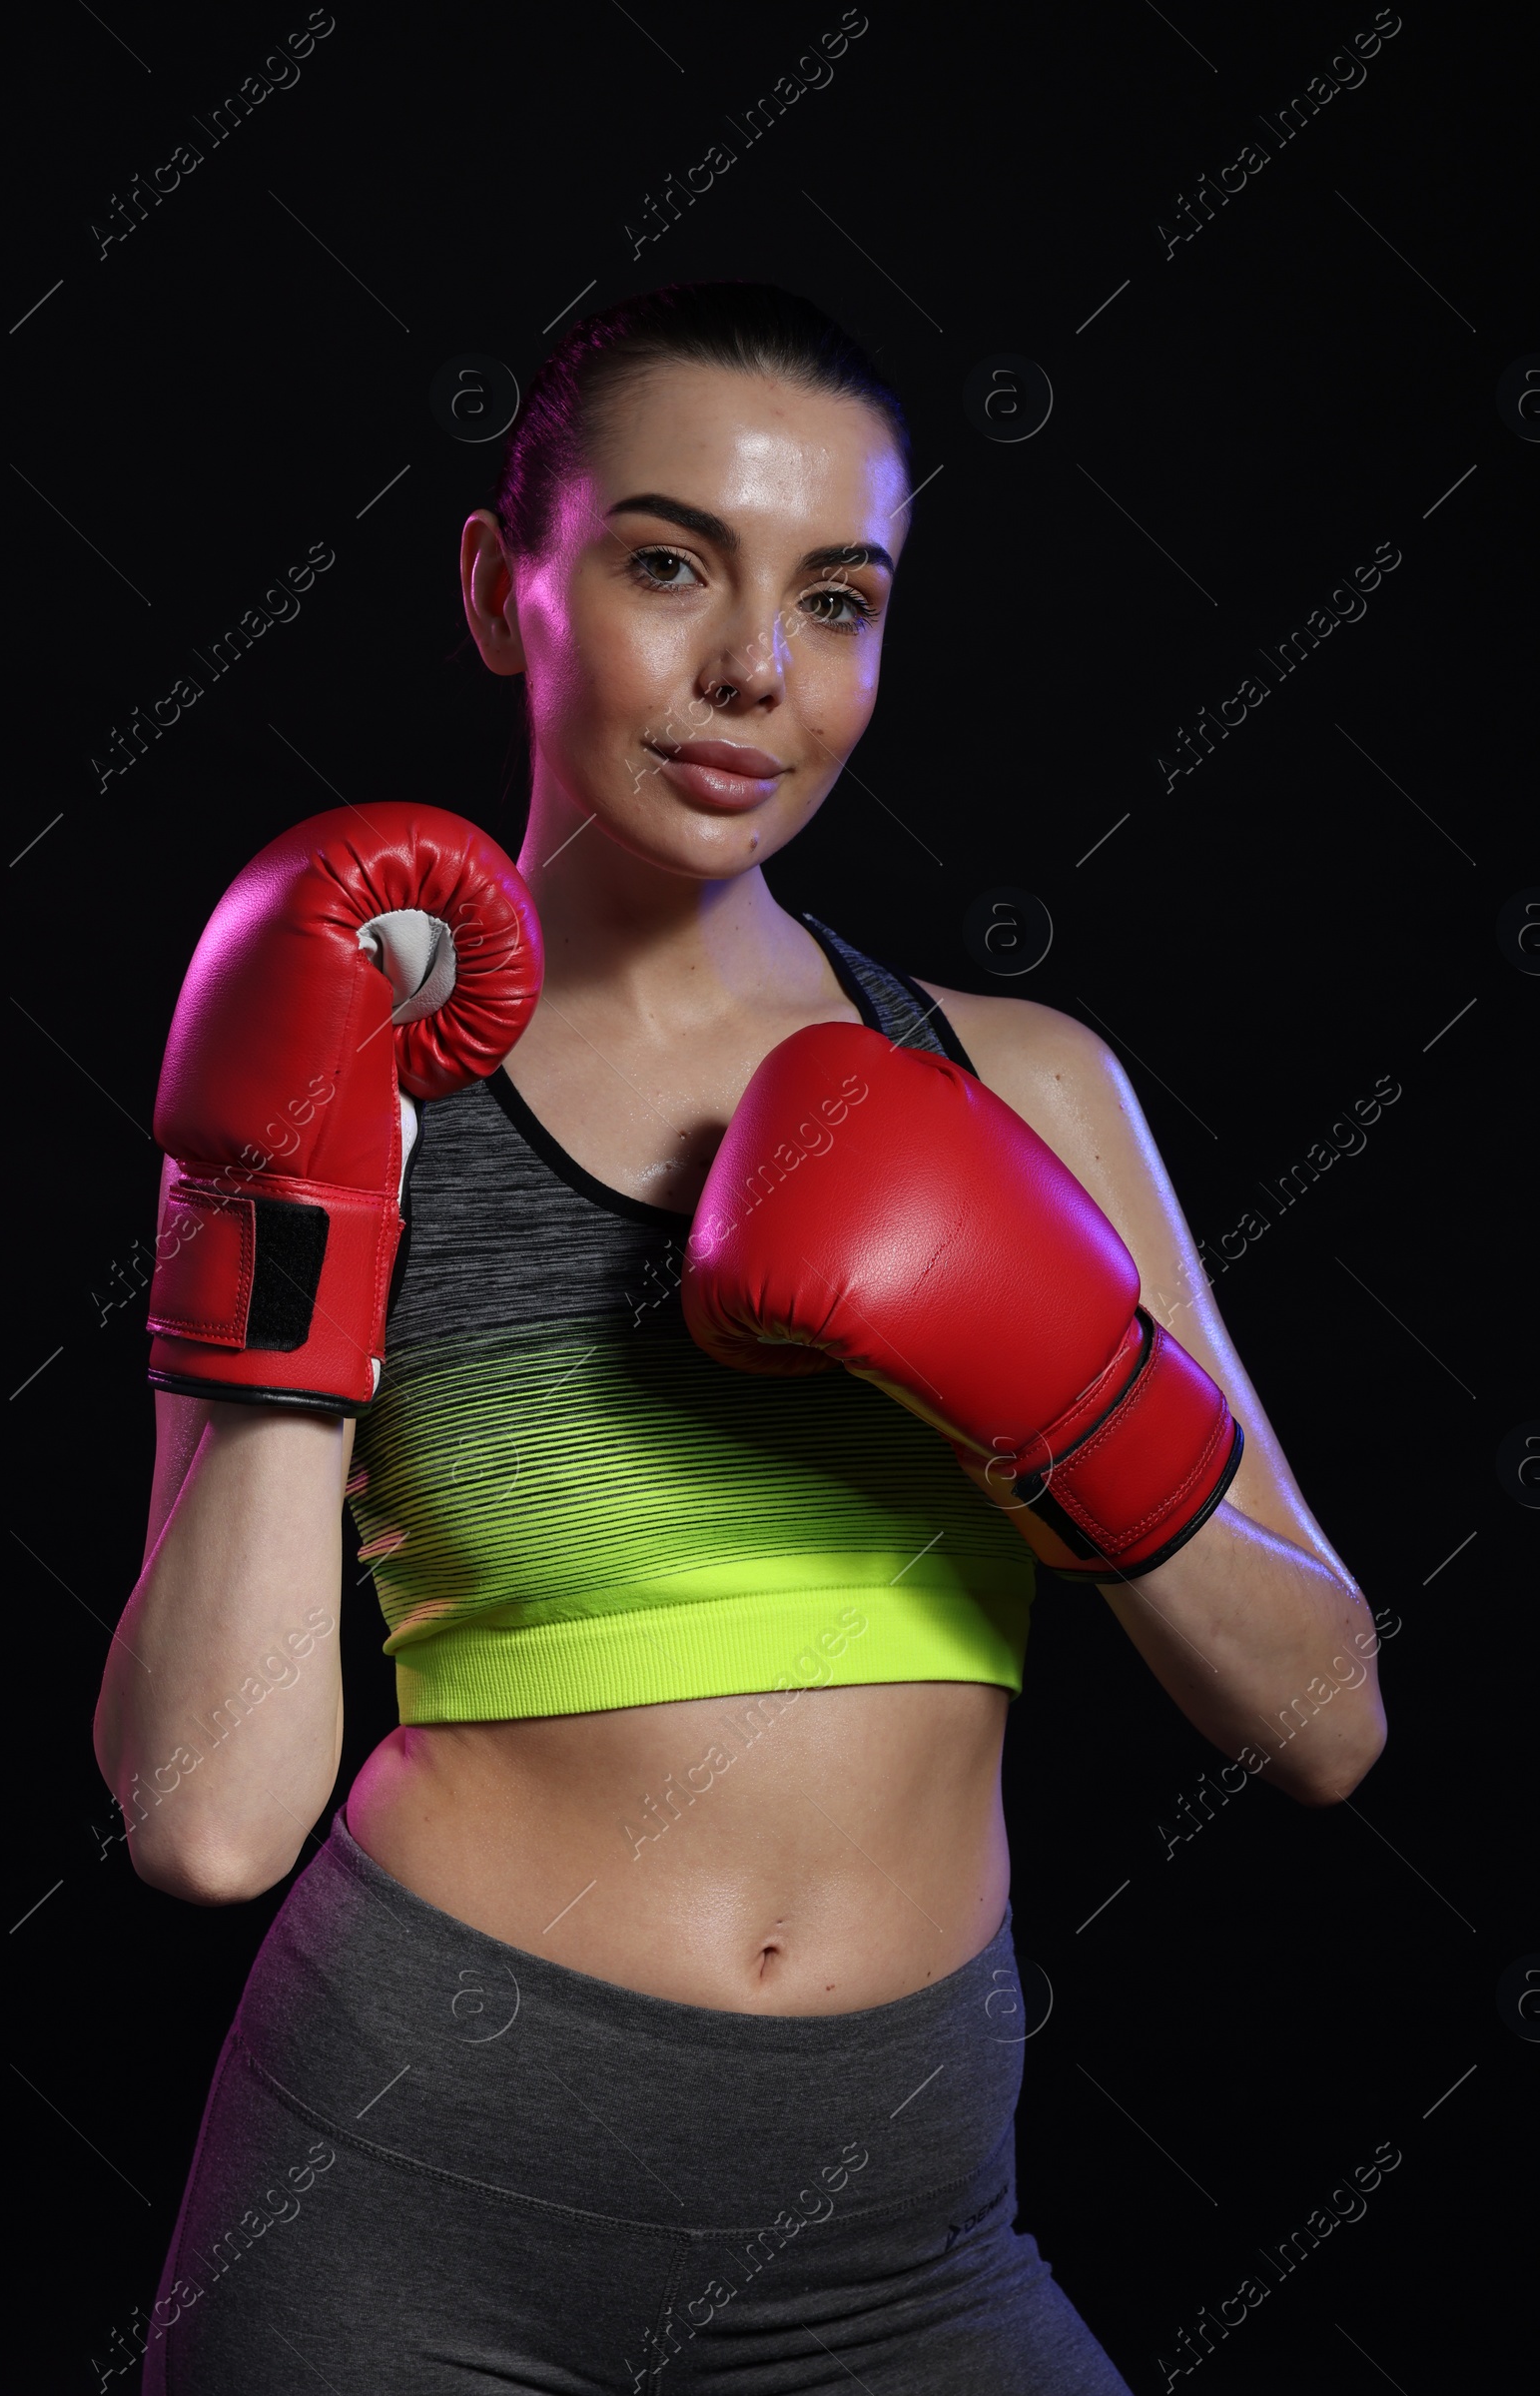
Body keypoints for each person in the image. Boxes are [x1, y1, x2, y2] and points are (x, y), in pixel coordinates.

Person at [101, 283, 1387, 2394]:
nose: (750, 674)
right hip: (400, 2211)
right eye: (667, 560)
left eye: (838, 598)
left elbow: (1324, 1722)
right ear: (499, 588)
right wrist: (301, 1204)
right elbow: (207, 1819)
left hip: (895, 2257)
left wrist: (1058, 1397)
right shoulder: (339, 1081)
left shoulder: (1022, 1086)